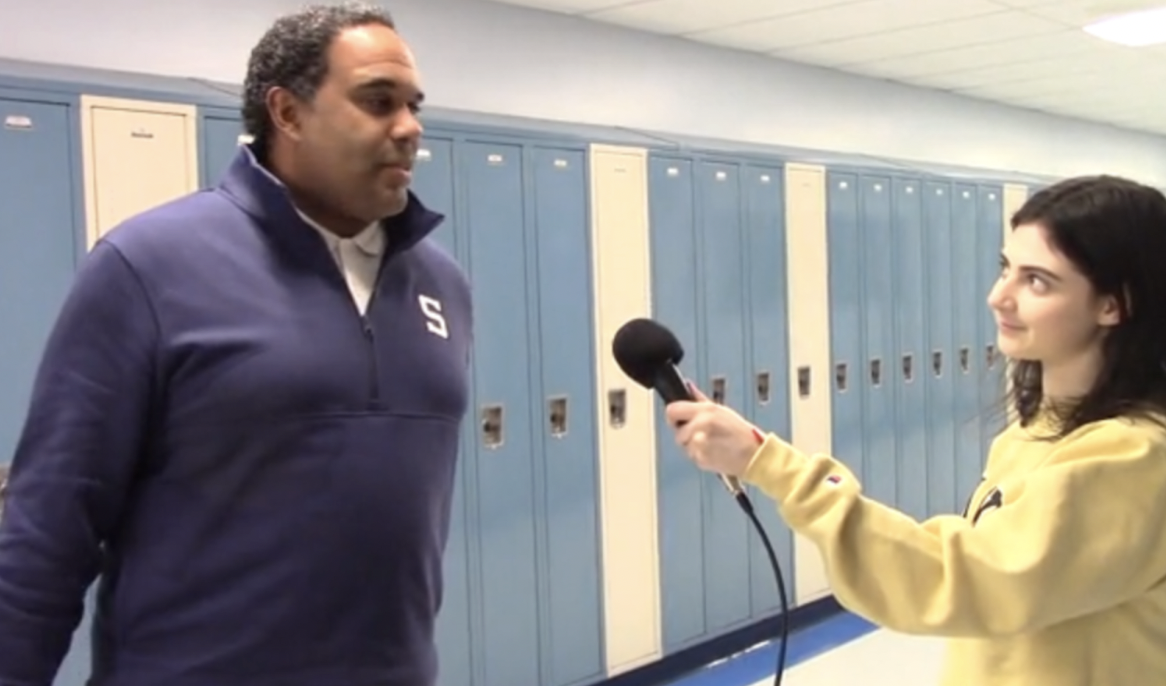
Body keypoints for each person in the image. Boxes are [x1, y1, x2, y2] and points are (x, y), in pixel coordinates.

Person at [0, 4, 472, 686]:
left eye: (412, 105)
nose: (409, 128)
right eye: (377, 102)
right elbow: (51, 524)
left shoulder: (440, 281)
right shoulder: (149, 264)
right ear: (287, 112)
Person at [665, 175, 1166, 686]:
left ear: (1114, 304)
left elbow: (958, 580)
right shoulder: (1032, 435)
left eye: (1037, 281)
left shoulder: (1132, 460)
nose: (999, 296)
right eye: (1005, 269)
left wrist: (771, 465)